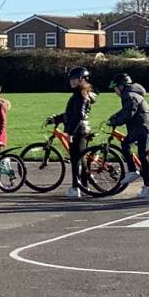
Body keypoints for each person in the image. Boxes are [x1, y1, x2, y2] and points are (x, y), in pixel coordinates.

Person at [106, 72, 149, 199]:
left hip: (143, 128)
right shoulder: (130, 93)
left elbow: (129, 113)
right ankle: (136, 173)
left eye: (115, 88)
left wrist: (116, 121)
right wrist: (115, 117)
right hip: (142, 127)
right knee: (131, 147)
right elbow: (126, 110)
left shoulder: (129, 95)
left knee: (137, 152)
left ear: (121, 86)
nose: (114, 92)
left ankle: (144, 182)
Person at [49, 66, 95, 200]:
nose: (71, 81)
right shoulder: (79, 94)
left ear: (82, 79)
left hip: (79, 131)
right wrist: (56, 119)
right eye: (71, 79)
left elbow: (79, 116)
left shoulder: (80, 95)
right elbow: (71, 114)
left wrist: (70, 132)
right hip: (82, 129)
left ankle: (76, 188)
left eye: (75, 79)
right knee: (81, 159)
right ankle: (84, 186)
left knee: (76, 160)